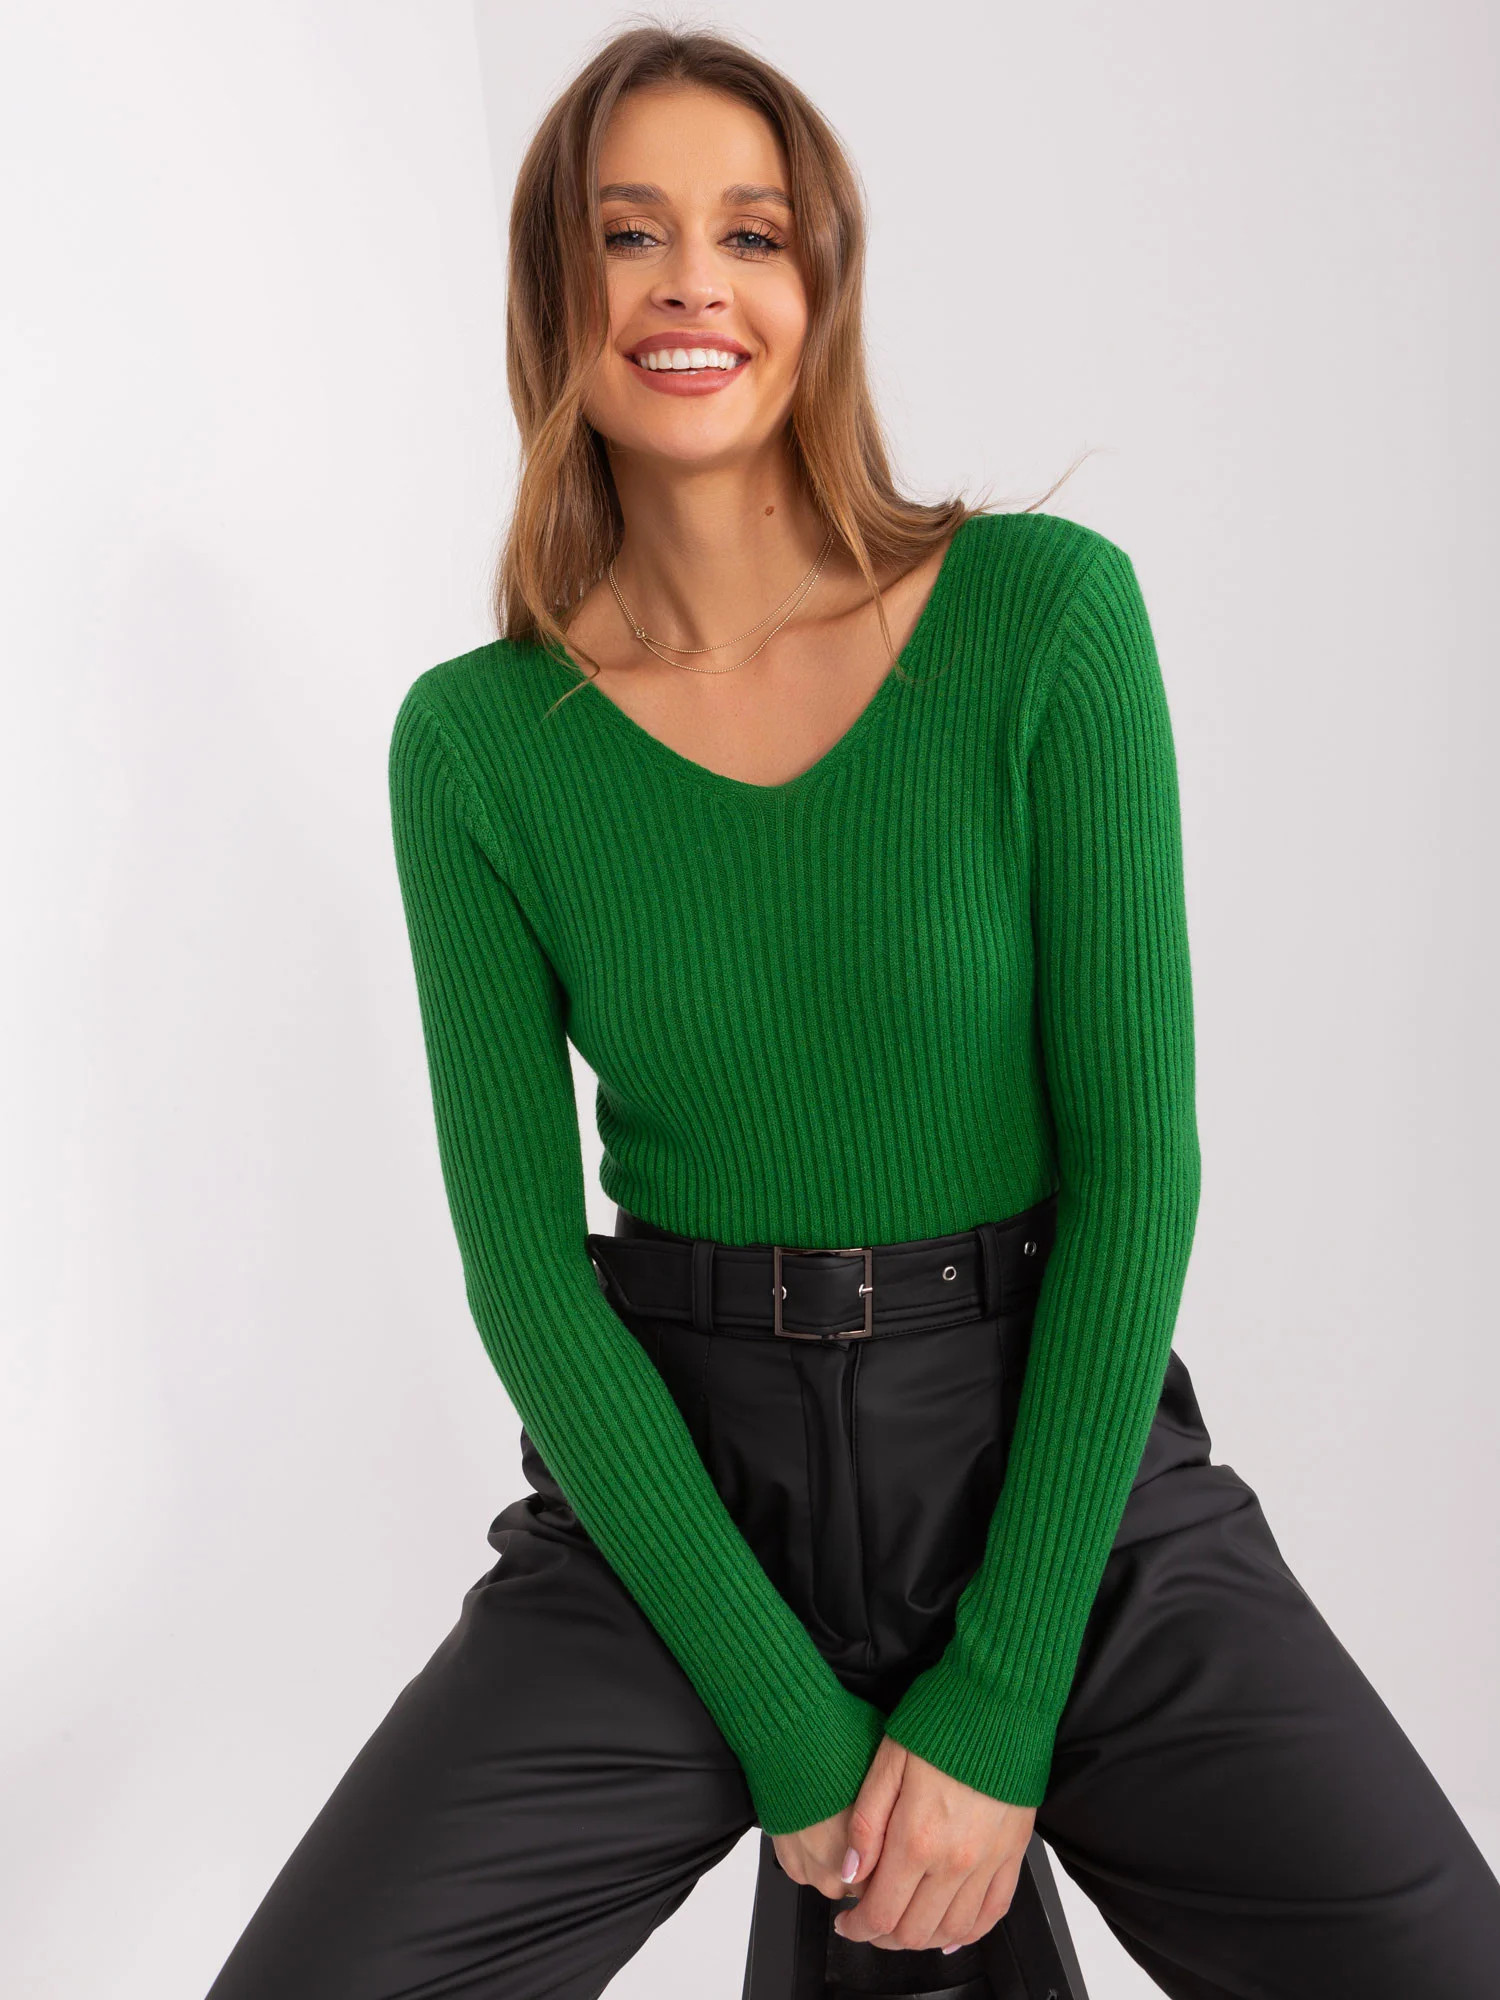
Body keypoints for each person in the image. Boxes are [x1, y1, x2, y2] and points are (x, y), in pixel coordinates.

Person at [204, 23, 1500, 2000]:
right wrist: (796, 1734)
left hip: (1048, 1461)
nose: (692, 284)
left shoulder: (1044, 619)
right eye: (628, 234)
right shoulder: (478, 744)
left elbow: (1139, 1166)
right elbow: (528, 1272)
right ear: (555, 291)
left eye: (751, 233)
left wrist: (999, 1699)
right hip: (682, 1499)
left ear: (822, 286)